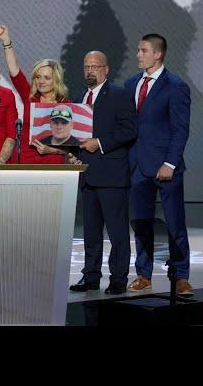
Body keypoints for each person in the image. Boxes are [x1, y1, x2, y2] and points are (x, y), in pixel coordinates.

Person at [124, 34, 193, 296]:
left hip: (166, 167)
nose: (138, 55)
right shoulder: (131, 84)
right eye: (138, 50)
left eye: (143, 50)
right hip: (139, 166)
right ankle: (143, 274)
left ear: (158, 54)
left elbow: (180, 129)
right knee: (142, 223)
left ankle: (181, 276)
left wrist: (170, 163)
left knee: (175, 222)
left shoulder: (175, 86)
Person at [69, 51, 137, 295]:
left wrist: (99, 143)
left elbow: (129, 131)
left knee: (117, 232)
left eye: (95, 67)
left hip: (112, 174)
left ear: (106, 70)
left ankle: (118, 278)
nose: (90, 71)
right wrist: (74, 153)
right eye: (86, 66)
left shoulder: (120, 95)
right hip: (87, 175)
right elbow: (76, 136)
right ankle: (91, 276)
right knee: (91, 232)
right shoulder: (78, 99)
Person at [0, 24, 71, 163]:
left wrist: (51, 150)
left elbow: (73, 146)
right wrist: (6, 41)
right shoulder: (30, 97)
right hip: (25, 160)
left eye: (47, 78)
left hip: (52, 164)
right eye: (38, 77)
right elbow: (14, 70)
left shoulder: (66, 105)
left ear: (56, 80)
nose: (41, 81)